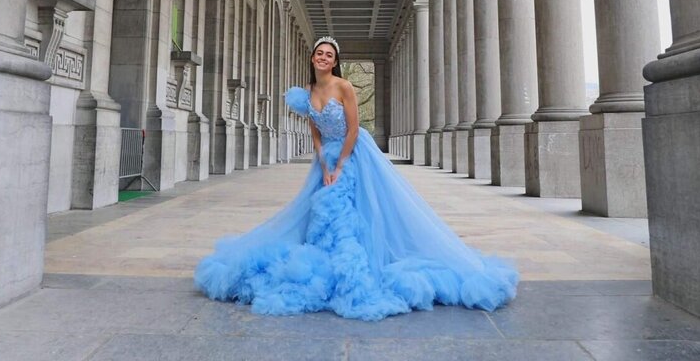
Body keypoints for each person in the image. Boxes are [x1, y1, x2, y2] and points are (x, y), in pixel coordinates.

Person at [194, 36, 518, 320]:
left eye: (329, 56)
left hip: (353, 153)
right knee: (320, 211)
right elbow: (315, 132)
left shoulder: (344, 86)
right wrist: (323, 163)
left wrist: (340, 166)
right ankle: (328, 258)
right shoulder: (309, 92)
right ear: (312, 59)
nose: (324, 58)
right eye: (319, 54)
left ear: (335, 62)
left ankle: (352, 263)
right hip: (326, 157)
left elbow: (352, 129)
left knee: (348, 208)